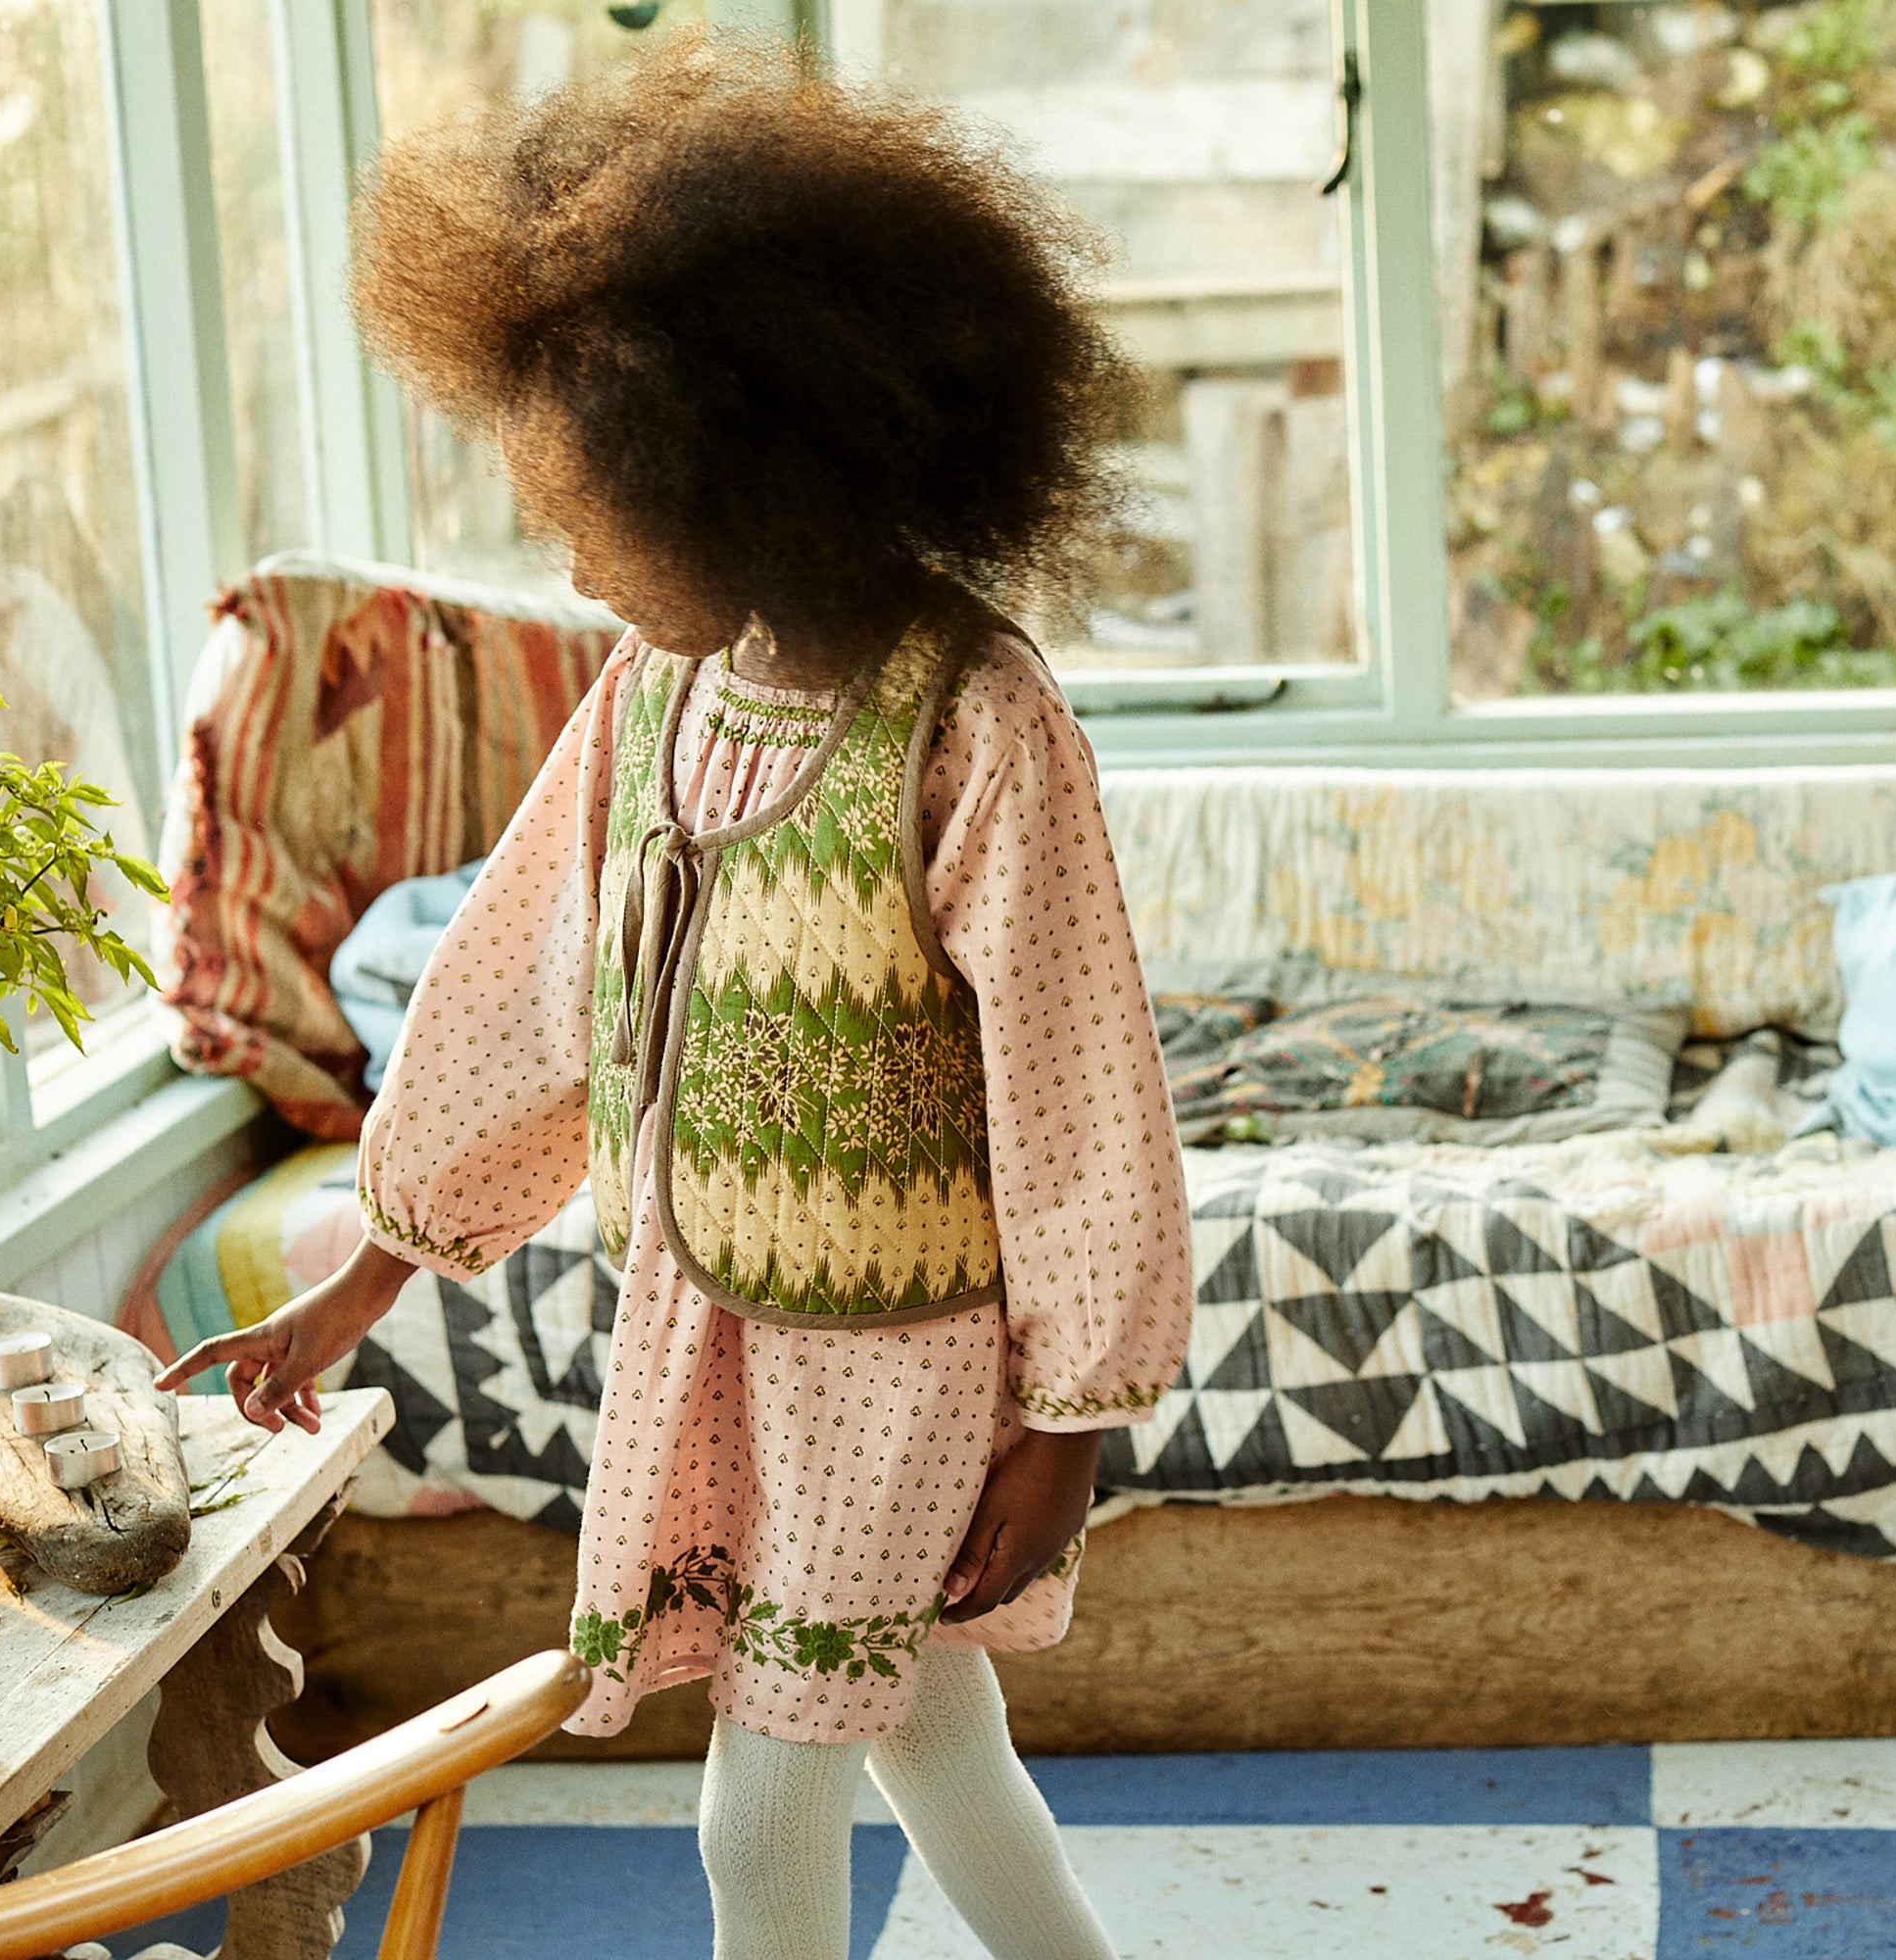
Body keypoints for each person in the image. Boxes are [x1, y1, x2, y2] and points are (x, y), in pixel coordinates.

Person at [158, 33, 1191, 1960]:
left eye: (587, 514)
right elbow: (518, 992)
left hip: (897, 1357)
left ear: (732, 472)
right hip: (709, 1329)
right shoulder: (653, 700)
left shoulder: (973, 719)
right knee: (932, 1731)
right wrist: (370, 1270)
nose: (566, 562)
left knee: (759, 1806)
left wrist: (1069, 1417)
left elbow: (1078, 1091)